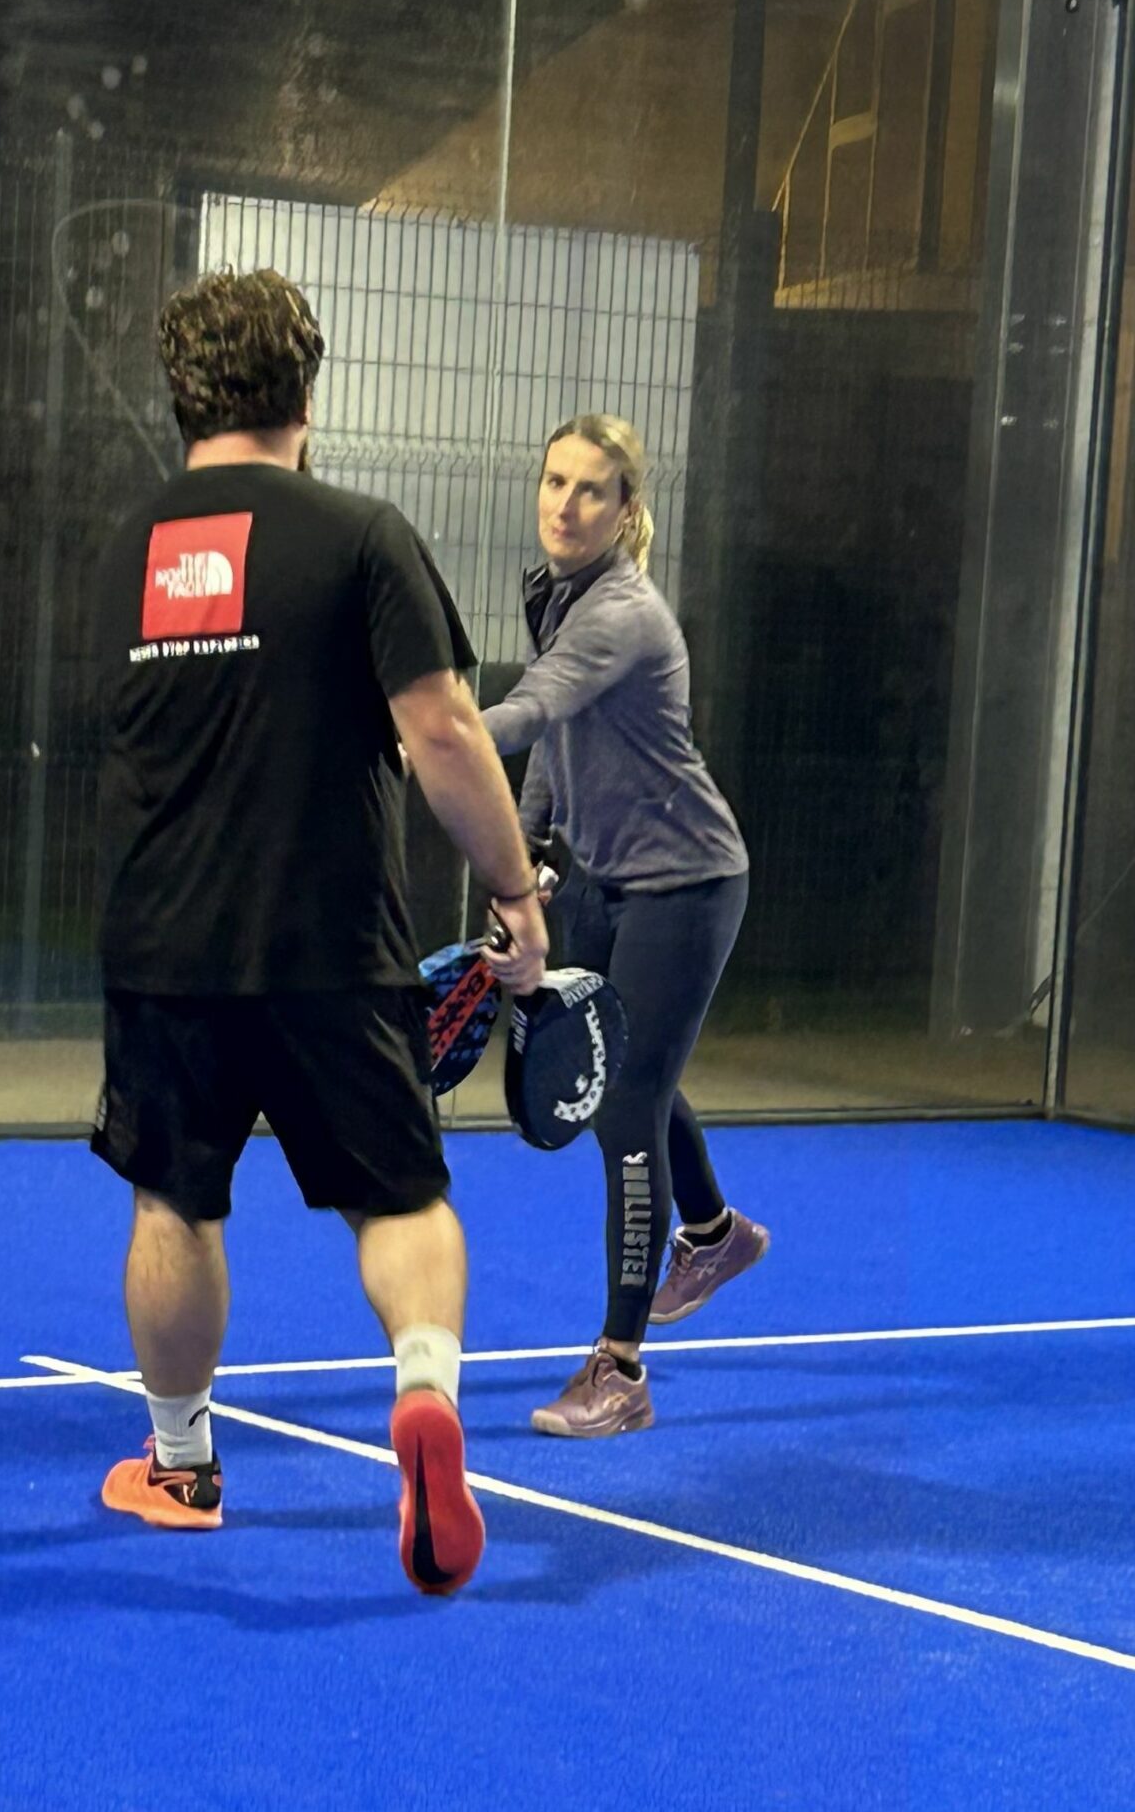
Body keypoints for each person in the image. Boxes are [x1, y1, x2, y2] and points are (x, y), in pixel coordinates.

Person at [89, 267, 548, 1593]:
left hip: (166, 947)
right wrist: (515, 891)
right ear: (306, 389)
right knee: (399, 1200)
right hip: (332, 946)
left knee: (174, 1202)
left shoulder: (124, 551)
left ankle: (182, 1466)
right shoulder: (360, 536)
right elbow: (441, 730)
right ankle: (425, 1398)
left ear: (181, 393)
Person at [481, 414, 768, 1439]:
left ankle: (621, 1369)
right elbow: (556, 747)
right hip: (604, 882)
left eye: (590, 489)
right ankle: (715, 1234)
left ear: (625, 509)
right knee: (629, 1077)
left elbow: (528, 710)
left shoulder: (621, 614)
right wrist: (521, 858)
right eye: (553, 481)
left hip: (687, 884)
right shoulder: (558, 596)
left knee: (626, 1103)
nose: (565, 503)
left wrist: (417, 738)